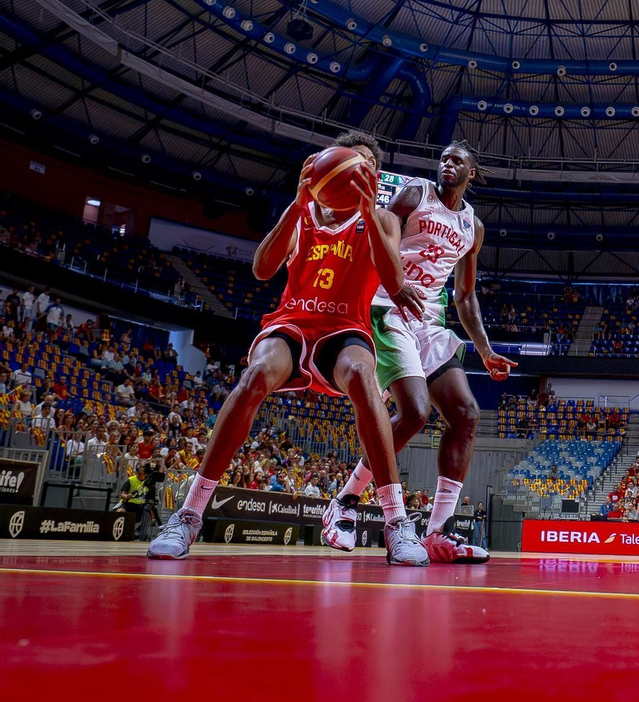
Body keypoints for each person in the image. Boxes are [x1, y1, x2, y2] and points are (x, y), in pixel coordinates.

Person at [147, 131, 431, 565]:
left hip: (345, 329)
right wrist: (298, 204)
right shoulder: (302, 213)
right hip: (292, 323)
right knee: (255, 375)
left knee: (362, 375)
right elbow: (262, 269)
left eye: (367, 166)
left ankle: (396, 523)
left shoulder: (383, 219)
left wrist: (369, 213)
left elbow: (393, 282)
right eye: (350, 162)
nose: (357, 171)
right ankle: (189, 515)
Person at [324, 141, 514, 564]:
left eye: (457, 161)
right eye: (444, 158)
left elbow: (465, 297)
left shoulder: (472, 227)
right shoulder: (415, 193)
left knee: (466, 414)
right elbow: (383, 238)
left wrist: (484, 350)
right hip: (390, 306)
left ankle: (437, 533)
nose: (447, 164)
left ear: (472, 172)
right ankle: (345, 502)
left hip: (429, 319)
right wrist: (393, 282)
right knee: (414, 411)